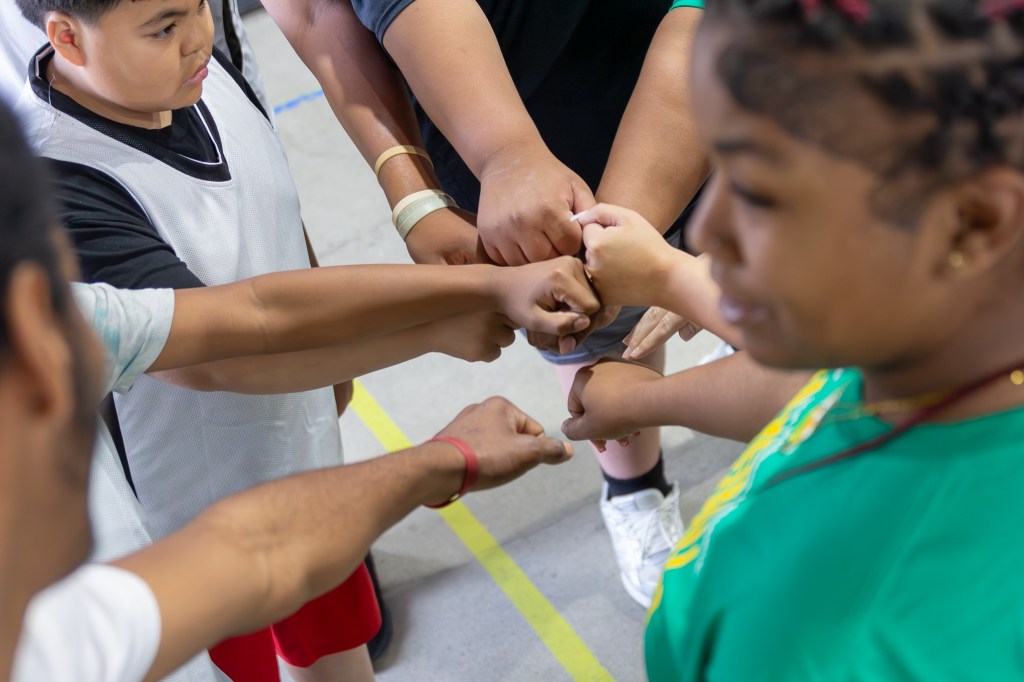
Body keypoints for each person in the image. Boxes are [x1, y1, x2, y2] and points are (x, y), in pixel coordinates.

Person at [10, 0, 594, 677]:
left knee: (338, 653)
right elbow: (226, 346)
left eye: (200, 6)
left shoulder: (194, 74)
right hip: (197, 524)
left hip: (303, 461)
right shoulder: (65, 183)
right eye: (165, 27)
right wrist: (443, 321)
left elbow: (271, 209)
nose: (198, 36)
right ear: (66, 39)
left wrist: (333, 295)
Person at [568, 0, 1024, 678]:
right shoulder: (950, 351)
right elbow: (836, 388)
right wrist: (668, 292)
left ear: (976, 219)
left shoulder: (814, 636)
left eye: (763, 190)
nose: (707, 232)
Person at [262, 0, 707, 608]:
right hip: (505, 111)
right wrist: (433, 183)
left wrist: (627, 249)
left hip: (697, 72)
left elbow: (702, 23)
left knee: (762, 294)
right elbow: (315, 14)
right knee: (599, 329)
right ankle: (635, 489)